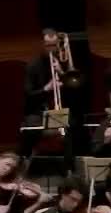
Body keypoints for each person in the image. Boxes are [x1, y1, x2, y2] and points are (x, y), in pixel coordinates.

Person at [22, 28, 85, 157]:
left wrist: (62, 73)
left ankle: (69, 167)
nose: (51, 49)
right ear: (42, 45)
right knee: (31, 129)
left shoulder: (65, 63)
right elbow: (28, 95)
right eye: (48, 45)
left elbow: (78, 90)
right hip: (39, 112)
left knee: (75, 126)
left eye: (54, 45)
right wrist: (46, 88)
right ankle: (32, 161)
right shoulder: (32, 66)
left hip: (64, 110)